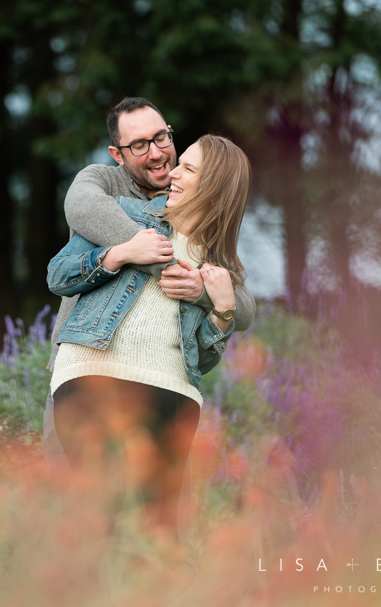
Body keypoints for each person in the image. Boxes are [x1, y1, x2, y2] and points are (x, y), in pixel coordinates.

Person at [46, 133, 251, 538]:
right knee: (103, 524)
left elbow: (204, 361)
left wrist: (222, 313)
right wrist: (120, 253)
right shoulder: (124, 215)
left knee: (157, 538)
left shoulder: (218, 268)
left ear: (213, 187)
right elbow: (57, 275)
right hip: (92, 375)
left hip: (171, 392)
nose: (172, 173)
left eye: (188, 169)